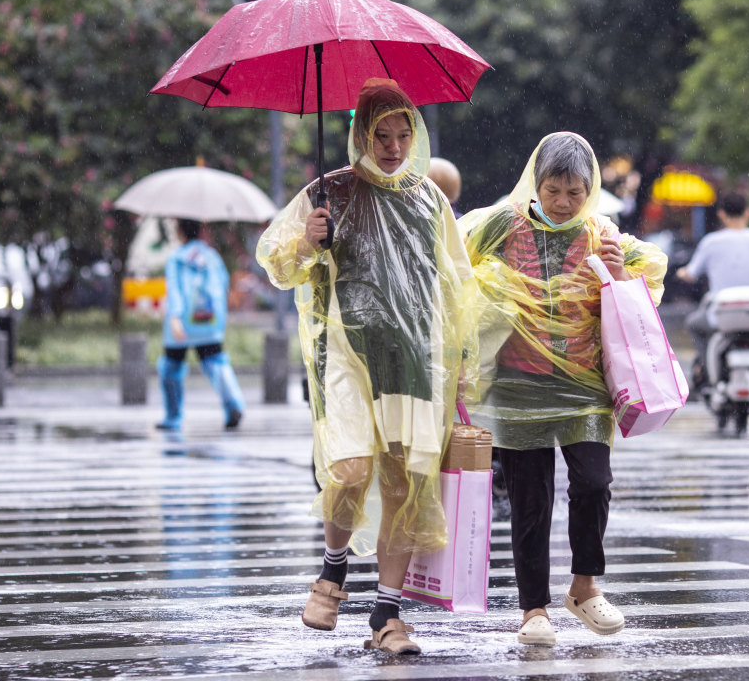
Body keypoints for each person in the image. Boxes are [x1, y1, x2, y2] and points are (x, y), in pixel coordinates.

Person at [255, 78, 477, 655]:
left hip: (413, 360)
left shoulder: (429, 199)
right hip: (347, 359)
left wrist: (463, 367)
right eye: (382, 134)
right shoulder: (330, 192)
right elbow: (277, 262)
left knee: (404, 486)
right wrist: (309, 240)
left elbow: (457, 283)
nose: (394, 145)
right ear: (359, 134)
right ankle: (332, 572)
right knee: (350, 470)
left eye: (404, 134)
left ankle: (388, 614)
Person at [458, 132, 668, 646]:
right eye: (554, 190)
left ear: (589, 190)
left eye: (575, 193)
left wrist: (620, 277)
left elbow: (648, 287)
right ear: (537, 182)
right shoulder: (499, 226)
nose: (563, 203)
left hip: (585, 385)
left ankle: (584, 586)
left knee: (594, 483)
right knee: (530, 501)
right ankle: (534, 609)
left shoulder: (604, 235)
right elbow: (452, 269)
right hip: (518, 385)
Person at [675, 192, 749, 388]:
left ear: (722, 214)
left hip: (724, 314)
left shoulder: (711, 241)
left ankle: (709, 374)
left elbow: (692, 273)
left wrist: (681, 272)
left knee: (693, 323)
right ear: (748, 213)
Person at [155, 218, 245, 431]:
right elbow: (222, 286)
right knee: (217, 363)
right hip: (209, 322)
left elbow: (174, 290)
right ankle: (233, 403)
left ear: (180, 232)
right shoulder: (212, 256)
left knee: (171, 368)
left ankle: (173, 416)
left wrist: (175, 318)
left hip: (183, 323)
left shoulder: (177, 259)